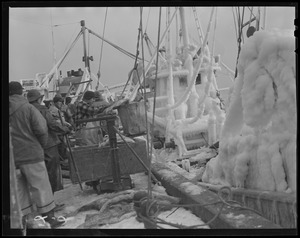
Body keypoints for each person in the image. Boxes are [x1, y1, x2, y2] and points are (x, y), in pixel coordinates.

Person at [9, 82, 65, 229]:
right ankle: (48, 218)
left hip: (12, 157)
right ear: (21, 92)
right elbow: (41, 129)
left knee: (19, 189)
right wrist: (39, 145)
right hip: (31, 154)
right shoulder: (28, 108)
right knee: (40, 186)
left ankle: (24, 221)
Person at [27, 89, 70, 196]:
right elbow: (52, 124)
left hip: (34, 145)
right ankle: (50, 199)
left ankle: (44, 199)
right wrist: (64, 129)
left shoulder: (25, 109)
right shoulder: (42, 109)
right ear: (39, 99)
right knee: (52, 171)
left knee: (41, 173)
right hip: (48, 143)